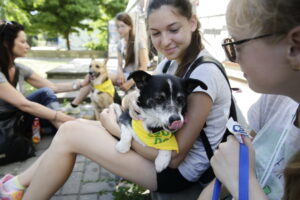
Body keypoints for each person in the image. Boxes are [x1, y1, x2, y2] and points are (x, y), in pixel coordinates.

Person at [0, 0, 234, 199]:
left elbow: (174, 157)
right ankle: (17, 186)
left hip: (179, 171)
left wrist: (116, 128)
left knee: (72, 134)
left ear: (192, 22)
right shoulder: (168, 63)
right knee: (72, 126)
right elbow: (139, 101)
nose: (165, 41)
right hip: (152, 141)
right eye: (155, 33)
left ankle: (17, 189)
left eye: (173, 29)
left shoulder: (204, 73)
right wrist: (130, 101)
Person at [198, 0, 300, 199]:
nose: (233, 58)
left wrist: (240, 180)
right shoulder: (275, 101)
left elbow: (239, 170)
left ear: (295, 47)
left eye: (236, 44)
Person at [0, 20, 90, 138]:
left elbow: (53, 87)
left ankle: (66, 131)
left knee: (46, 94)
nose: (28, 46)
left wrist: (81, 83)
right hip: (4, 125)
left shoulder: (18, 69)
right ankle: (70, 132)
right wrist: (63, 117)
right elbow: (24, 104)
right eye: (22, 42)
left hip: (18, 118)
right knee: (47, 102)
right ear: (6, 43)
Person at [63, 12, 150, 113]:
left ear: (130, 26)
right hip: (125, 75)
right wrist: (120, 72)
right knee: (93, 76)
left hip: (137, 78)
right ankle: (74, 105)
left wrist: (129, 83)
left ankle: (79, 92)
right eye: (118, 26)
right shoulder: (120, 44)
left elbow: (144, 67)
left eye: (122, 26)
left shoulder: (139, 42)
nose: (119, 29)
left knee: (91, 77)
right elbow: (119, 65)